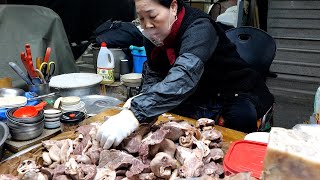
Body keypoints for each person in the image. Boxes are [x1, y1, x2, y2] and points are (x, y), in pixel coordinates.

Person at [96, 0, 274, 149]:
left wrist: (136, 113)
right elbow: (155, 71)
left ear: (173, 7)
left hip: (235, 89)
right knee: (167, 125)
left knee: (239, 121)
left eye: (152, 16)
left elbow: (185, 75)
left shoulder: (200, 28)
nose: (147, 25)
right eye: (141, 18)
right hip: (200, 92)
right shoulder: (152, 33)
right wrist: (144, 97)